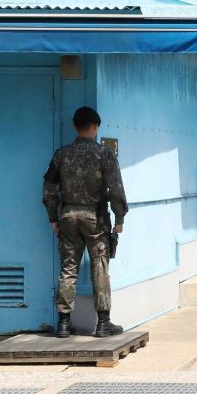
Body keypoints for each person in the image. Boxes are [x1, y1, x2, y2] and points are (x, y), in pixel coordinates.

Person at [42, 107, 129, 339]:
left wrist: (53, 217)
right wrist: (119, 219)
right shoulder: (104, 155)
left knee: (68, 268)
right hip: (96, 219)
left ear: (74, 126)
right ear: (95, 127)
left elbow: (49, 189)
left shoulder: (61, 155)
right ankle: (103, 323)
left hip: (68, 216)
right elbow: (116, 190)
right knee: (100, 267)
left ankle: (63, 324)